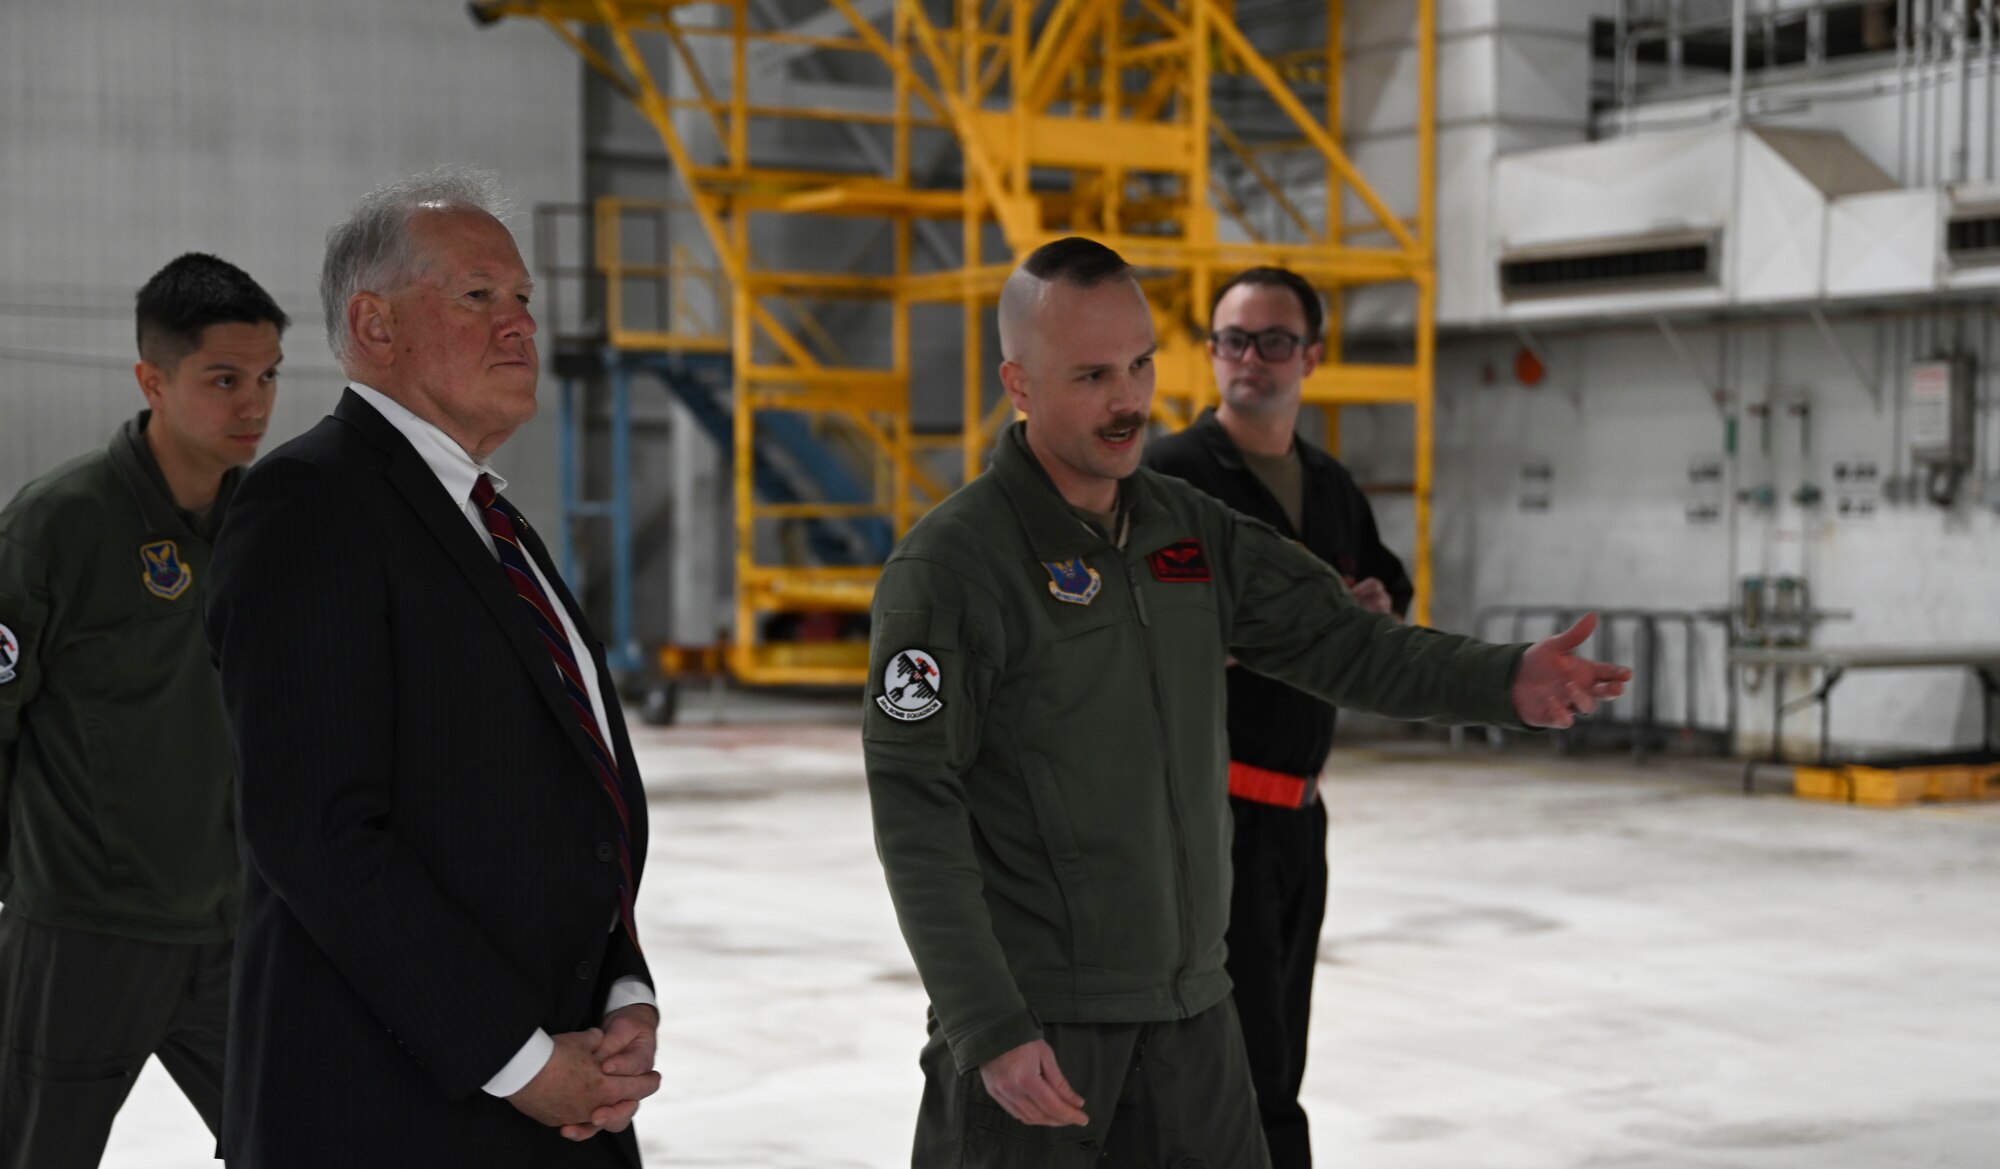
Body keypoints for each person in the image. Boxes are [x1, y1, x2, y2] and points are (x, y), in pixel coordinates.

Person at [862, 237, 1627, 1168]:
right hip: (1045, 1031)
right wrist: (990, 1023)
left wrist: (1502, 679)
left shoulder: (1187, 530)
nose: (1129, 399)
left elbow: (1340, 640)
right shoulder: (953, 567)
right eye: (1094, 374)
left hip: (1196, 1021)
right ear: (1019, 385)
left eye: (1141, 363)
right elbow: (915, 805)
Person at [205, 168, 660, 1168]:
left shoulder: (490, 522)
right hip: (392, 1111)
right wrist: (517, 1058)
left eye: (524, 301)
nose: (518, 326)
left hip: (559, 1090)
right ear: (375, 325)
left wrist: (621, 989)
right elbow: (318, 831)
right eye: (479, 297)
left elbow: (563, 795)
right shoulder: (311, 507)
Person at [0, 253, 287, 1167]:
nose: (255, 403)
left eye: (270, 376)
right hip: (83, 936)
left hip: (234, 932)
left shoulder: (269, 531)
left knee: (302, 1137)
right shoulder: (58, 526)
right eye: (225, 379)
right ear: (151, 381)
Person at [1144, 265, 1408, 1167]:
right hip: (1205, 818)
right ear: (1211, 352)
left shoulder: (1329, 484)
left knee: (1280, 1053)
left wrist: (1372, 606)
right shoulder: (1172, 476)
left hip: (1299, 814)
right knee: (1236, 1067)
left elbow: (1383, 582)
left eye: (1274, 341)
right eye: (1233, 339)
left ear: (1312, 357)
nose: (1251, 357)